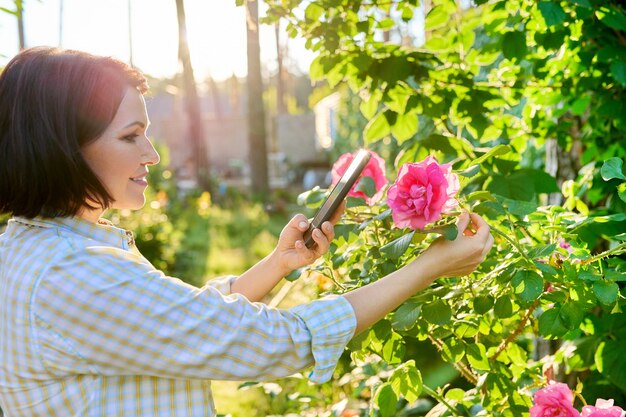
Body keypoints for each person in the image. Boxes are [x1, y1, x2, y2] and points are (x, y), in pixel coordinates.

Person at [0, 47, 494, 417]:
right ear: (62, 147)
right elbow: (277, 341)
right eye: (130, 135)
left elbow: (178, 321)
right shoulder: (74, 275)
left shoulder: (35, 248)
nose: (151, 154)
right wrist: (431, 265)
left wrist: (279, 264)